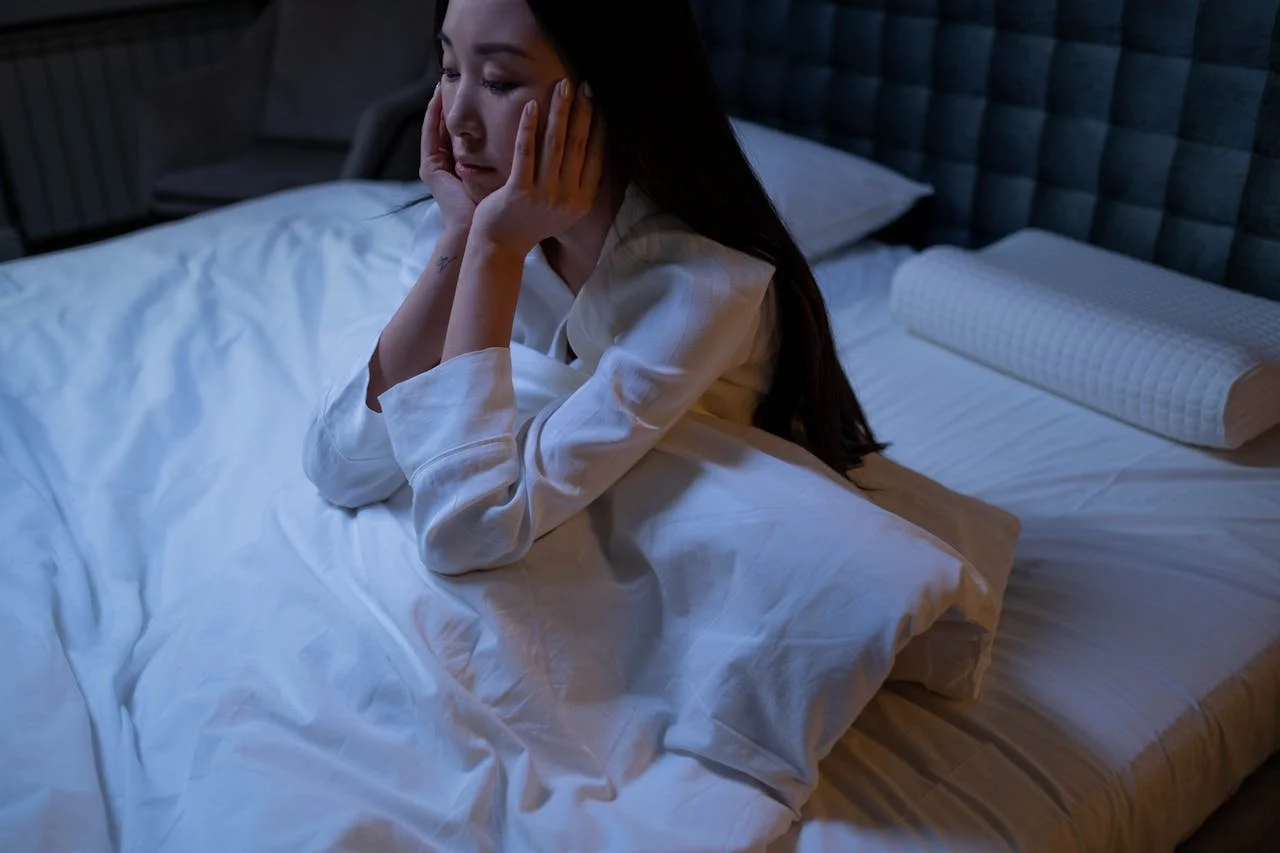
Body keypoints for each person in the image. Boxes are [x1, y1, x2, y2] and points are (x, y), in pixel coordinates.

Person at [302, 0, 885, 575]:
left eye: (500, 81)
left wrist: (494, 253)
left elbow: (462, 532)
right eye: (451, 70)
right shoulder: (477, 222)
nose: (456, 118)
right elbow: (339, 466)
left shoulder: (699, 288)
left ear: (607, 97)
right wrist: (465, 235)